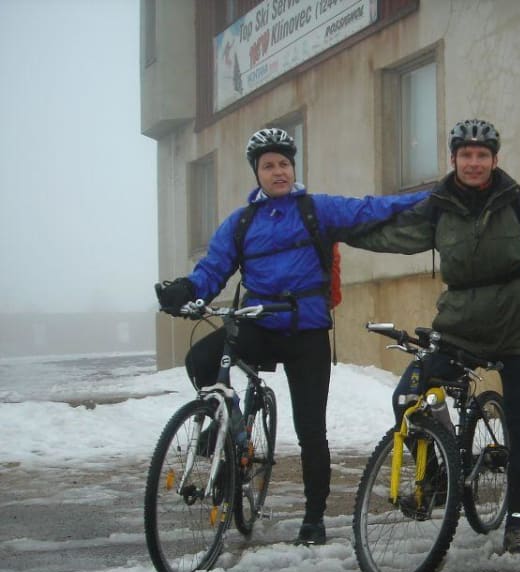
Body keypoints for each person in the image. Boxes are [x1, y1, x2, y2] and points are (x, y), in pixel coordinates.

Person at [156, 128, 427, 546]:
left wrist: (432, 198)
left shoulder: (316, 209)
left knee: (311, 431)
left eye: (284, 163)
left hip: (307, 333)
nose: (278, 171)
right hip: (260, 325)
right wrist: (187, 291)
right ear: (257, 174)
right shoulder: (242, 222)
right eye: (269, 165)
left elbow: (371, 209)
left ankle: (314, 516)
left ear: (293, 168)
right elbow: (212, 270)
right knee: (200, 360)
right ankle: (224, 437)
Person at [337, 119, 520, 555]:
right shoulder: (437, 206)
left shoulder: (519, 200)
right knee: (407, 397)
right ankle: (439, 475)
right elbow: (391, 233)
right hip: (459, 324)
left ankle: (515, 526)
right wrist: (337, 230)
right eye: (465, 155)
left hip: (517, 325)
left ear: (494, 160)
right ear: (453, 160)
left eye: (482, 155)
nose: (473, 162)